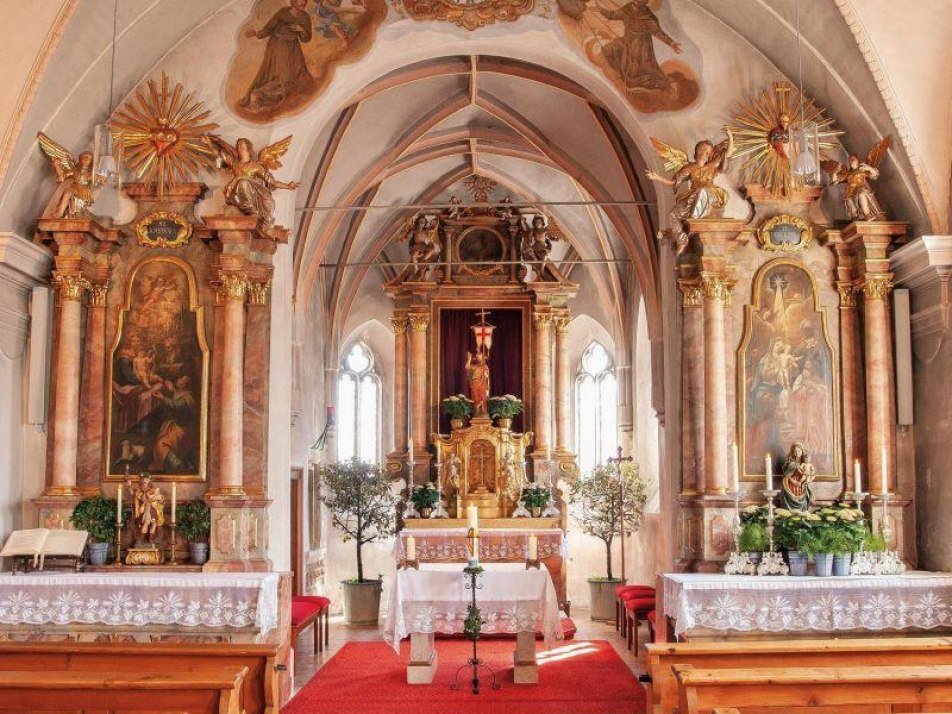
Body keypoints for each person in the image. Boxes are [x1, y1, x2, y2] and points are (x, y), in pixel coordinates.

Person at [240, 0, 314, 112]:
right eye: (300, 0)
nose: (303, 3)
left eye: (304, 1)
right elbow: (269, 27)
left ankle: (264, 95)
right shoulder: (283, 12)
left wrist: (302, 30)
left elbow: (306, 38)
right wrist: (257, 34)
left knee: (298, 76)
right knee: (284, 78)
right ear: (293, 1)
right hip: (279, 46)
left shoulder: (305, 17)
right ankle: (258, 95)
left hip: (294, 47)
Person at [597, 0, 682, 91]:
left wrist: (671, 43)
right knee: (612, 50)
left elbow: (658, 32)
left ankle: (651, 82)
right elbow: (613, 15)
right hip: (629, 40)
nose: (638, 0)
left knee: (637, 69)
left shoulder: (648, 17)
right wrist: (600, 9)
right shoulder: (628, 9)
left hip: (642, 46)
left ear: (646, 2)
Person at [465, 349, 491, 415]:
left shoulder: (485, 366)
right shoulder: (474, 366)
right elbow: (467, 367)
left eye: (480, 357)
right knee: (476, 399)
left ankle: (483, 413)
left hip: (482, 384)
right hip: (474, 384)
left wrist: (485, 374)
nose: (478, 359)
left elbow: (487, 377)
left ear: (482, 358)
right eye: (477, 357)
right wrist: (469, 359)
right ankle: (476, 413)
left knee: (482, 398)